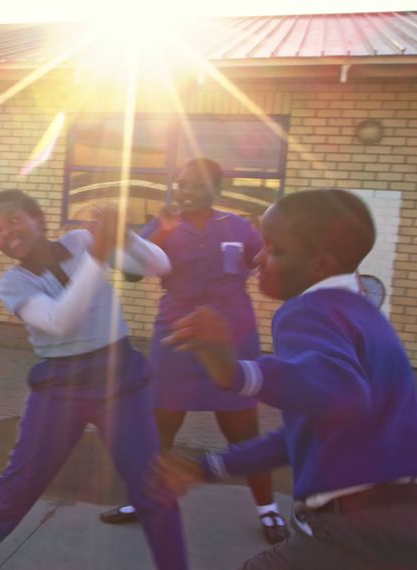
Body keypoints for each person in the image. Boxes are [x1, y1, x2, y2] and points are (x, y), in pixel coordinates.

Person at [153, 189, 417, 569]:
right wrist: (208, 467)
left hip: (349, 530)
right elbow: (305, 434)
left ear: (320, 265)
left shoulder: (306, 310)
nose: (258, 259)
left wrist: (238, 371)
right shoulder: (363, 313)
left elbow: (344, 391)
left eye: (275, 250)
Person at [0, 190, 187, 570]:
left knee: (151, 483)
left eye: (13, 220)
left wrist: (125, 235)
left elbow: (160, 266)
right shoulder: (13, 284)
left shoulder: (80, 241)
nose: (7, 235)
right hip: (60, 387)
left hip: (119, 377)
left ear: (38, 219)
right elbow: (60, 323)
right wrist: (97, 255)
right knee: (22, 480)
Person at [100, 158, 288, 544]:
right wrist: (150, 231)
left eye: (195, 185)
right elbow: (133, 272)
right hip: (176, 340)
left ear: (216, 189)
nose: (184, 192)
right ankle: (143, 501)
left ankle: (268, 511)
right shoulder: (165, 226)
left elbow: (266, 262)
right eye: (180, 184)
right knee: (158, 429)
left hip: (232, 339)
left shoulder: (238, 227)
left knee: (243, 430)